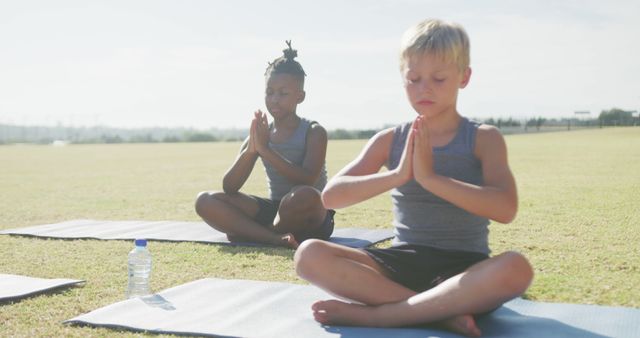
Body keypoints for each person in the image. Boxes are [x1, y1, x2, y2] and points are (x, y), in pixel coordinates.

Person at [294, 19, 533, 336]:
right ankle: (437, 313)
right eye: (414, 79)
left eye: (438, 78)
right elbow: (331, 196)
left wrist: (432, 179)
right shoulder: (390, 140)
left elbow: (506, 208)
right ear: (402, 79)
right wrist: (397, 175)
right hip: (400, 264)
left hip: (465, 270)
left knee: (516, 268)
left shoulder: (483, 138)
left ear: (464, 77)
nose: (425, 89)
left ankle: (381, 316)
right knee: (308, 254)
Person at [195, 41, 334, 249]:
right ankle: (273, 237)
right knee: (204, 200)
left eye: (283, 93)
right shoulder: (261, 133)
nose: (275, 100)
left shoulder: (314, 132)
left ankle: (251, 232)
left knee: (304, 195)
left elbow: (307, 179)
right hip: (275, 210)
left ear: (300, 97)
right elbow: (230, 187)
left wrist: (265, 150)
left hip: (309, 212)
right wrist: (253, 149)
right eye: (270, 92)